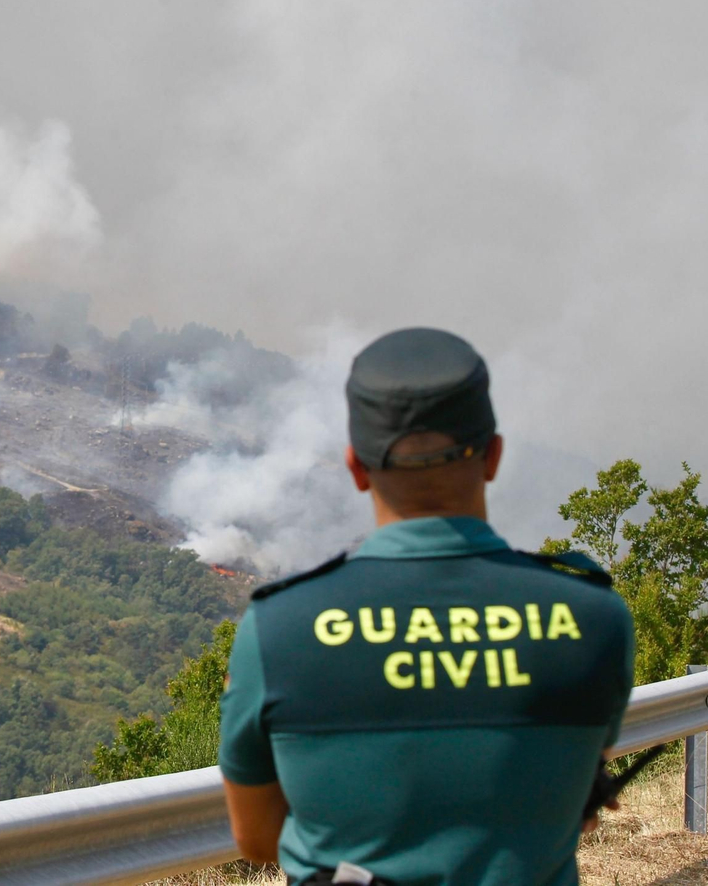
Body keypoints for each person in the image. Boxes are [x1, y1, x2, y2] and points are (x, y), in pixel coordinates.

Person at [218, 328, 634, 886]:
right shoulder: (594, 617)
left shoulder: (278, 629)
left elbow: (258, 839)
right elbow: (568, 795)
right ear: (493, 457)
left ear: (356, 468)